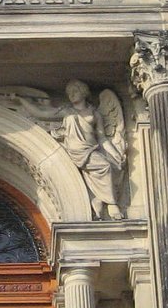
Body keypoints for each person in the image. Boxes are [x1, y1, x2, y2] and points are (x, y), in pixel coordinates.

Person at [17, 80, 126, 219]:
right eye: (69, 93)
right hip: (74, 151)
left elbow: (102, 138)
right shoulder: (67, 111)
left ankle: (98, 198)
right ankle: (112, 204)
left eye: (75, 91)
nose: (71, 95)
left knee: (110, 165)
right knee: (104, 166)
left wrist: (115, 153)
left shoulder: (95, 113)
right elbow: (41, 113)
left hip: (91, 149)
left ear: (84, 92)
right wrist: (20, 99)